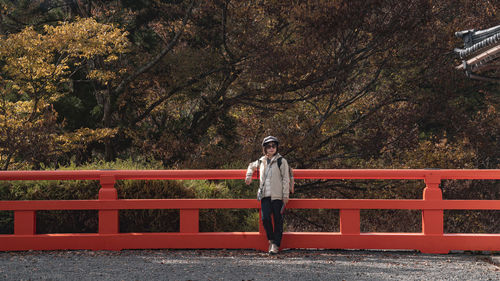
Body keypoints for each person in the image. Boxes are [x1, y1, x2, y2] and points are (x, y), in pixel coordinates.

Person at [245, 136, 290, 254]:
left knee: (278, 220)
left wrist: (285, 195)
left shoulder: (281, 161)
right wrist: (249, 175)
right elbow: (251, 166)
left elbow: (286, 179)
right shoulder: (261, 161)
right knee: (265, 219)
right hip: (265, 195)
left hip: (277, 196)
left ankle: (275, 245)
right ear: (265, 148)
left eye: (273, 146)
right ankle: (271, 240)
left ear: (276, 147)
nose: (271, 148)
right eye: (268, 146)